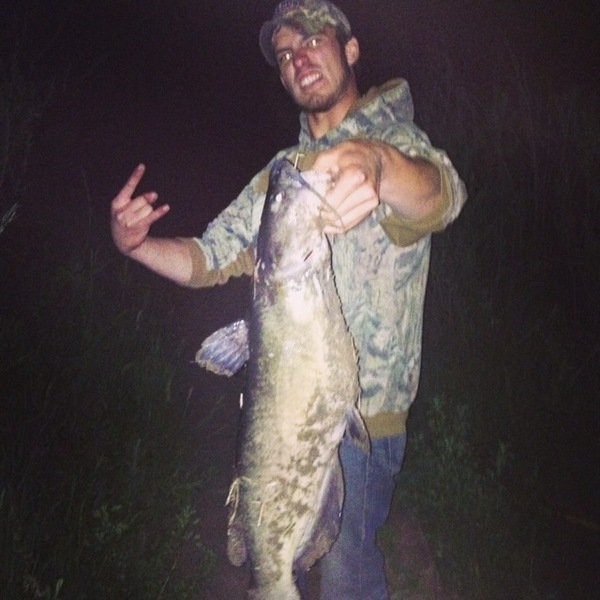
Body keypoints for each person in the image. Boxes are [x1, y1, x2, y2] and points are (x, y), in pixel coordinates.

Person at [111, 1, 467, 598]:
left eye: (313, 39)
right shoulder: (281, 175)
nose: (298, 58)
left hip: (362, 422)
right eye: (285, 54)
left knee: (348, 574)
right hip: (280, 422)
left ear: (350, 49)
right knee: (278, 556)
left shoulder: (397, 142)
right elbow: (209, 256)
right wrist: (137, 246)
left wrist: (378, 167)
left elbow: (442, 196)